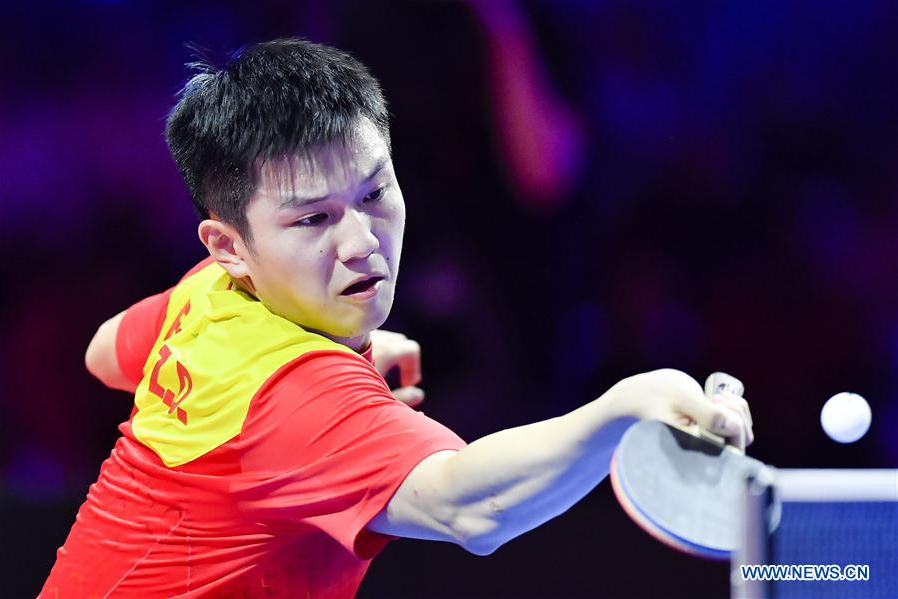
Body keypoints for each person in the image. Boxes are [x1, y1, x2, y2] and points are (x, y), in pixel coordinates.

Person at [41, 38, 753, 598]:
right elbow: (469, 509)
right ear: (228, 244)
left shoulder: (208, 295)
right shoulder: (293, 389)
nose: (362, 241)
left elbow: (106, 352)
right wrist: (624, 408)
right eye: (313, 218)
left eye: (375, 191)